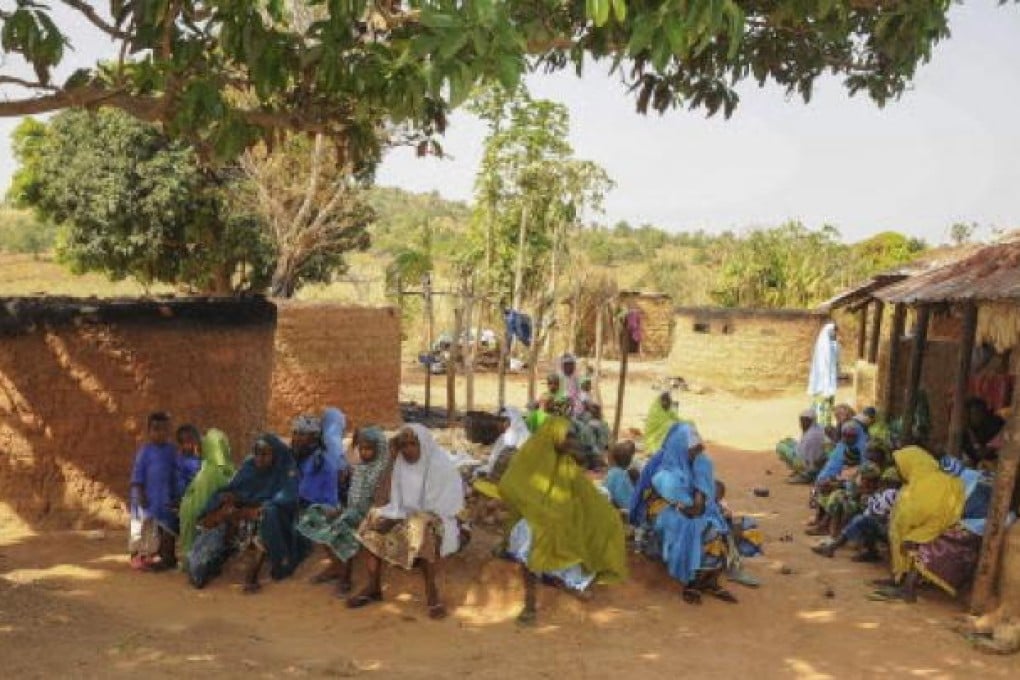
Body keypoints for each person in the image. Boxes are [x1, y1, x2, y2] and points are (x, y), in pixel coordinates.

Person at [498, 417, 627, 624]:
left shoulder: (565, 463)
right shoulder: (530, 457)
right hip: (529, 518)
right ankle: (530, 605)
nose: (572, 441)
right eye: (568, 437)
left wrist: (604, 512)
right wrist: (538, 509)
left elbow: (582, 491)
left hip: (556, 515)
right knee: (536, 535)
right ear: (554, 436)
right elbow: (509, 486)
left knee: (596, 520)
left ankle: (564, 579)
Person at [347, 424, 466, 620]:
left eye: (413, 444)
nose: (408, 450)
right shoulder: (400, 463)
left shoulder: (439, 465)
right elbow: (382, 499)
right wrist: (392, 460)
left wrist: (396, 521)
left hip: (439, 517)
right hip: (406, 515)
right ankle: (373, 587)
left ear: (423, 444)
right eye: (403, 445)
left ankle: (433, 595)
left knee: (423, 528)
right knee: (373, 518)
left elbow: (436, 508)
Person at [632, 422, 736, 605]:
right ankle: (692, 582)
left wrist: (702, 475)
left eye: (699, 449)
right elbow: (695, 508)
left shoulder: (697, 463)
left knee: (719, 524)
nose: (698, 454)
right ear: (680, 448)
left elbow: (705, 500)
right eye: (693, 450)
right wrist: (701, 483)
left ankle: (709, 580)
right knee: (699, 528)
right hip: (664, 511)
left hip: (687, 508)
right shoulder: (665, 475)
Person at [192, 434, 308, 592]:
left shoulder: (286, 471)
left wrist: (256, 509)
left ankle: (256, 573)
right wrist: (227, 501)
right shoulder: (249, 467)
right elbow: (234, 488)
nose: (259, 458)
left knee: (267, 516)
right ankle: (210, 563)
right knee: (222, 507)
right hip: (245, 510)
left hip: (279, 519)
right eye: (257, 453)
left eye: (265, 454)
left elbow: (286, 500)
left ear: (275, 455)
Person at [297, 427, 392, 596]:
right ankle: (336, 565)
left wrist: (357, 515)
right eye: (361, 448)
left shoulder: (384, 472)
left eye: (369, 449)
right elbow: (353, 498)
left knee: (343, 527)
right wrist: (340, 509)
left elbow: (382, 502)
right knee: (315, 515)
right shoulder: (360, 468)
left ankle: (345, 578)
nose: (364, 452)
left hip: (371, 516)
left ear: (379, 449)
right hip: (352, 511)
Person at [877, 446, 965, 603]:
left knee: (909, 542)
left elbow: (919, 512)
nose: (898, 471)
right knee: (903, 536)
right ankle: (900, 580)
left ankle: (908, 589)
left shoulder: (930, 481)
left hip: (936, 524)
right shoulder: (922, 479)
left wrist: (901, 524)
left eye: (900, 467)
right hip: (935, 522)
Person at [812, 466, 900, 561]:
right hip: (886, 526)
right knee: (863, 518)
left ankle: (832, 546)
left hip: (889, 529)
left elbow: (877, 513)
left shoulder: (892, 493)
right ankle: (870, 552)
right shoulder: (882, 493)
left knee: (863, 519)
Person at [129, 412, 180, 572]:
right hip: (145, 499)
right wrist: (141, 495)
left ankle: (155, 556)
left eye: (164, 429)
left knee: (159, 531)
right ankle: (136, 556)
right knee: (140, 529)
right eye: (156, 429)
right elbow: (137, 477)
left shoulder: (172, 451)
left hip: (163, 499)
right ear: (149, 431)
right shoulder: (145, 452)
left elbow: (176, 473)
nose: (160, 433)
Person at [178, 428, 235, 570]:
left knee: (193, 512)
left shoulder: (209, 468)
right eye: (183, 443)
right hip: (217, 483)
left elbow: (220, 465)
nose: (188, 446)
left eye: (190, 441)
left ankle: (191, 558)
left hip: (213, 482)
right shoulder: (206, 467)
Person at [291, 415, 340, 509]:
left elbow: (307, 494)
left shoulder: (320, 461)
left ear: (314, 437)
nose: (296, 438)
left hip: (318, 508)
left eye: (302, 434)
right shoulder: (297, 458)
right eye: (295, 433)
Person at [478, 406, 530, 482]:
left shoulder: (515, 434)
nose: (502, 423)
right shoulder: (506, 434)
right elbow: (496, 456)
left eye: (504, 420)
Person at [776, 409, 827, 482]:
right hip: (817, 461)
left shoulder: (811, 435)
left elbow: (805, 455)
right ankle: (802, 471)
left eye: (804, 421)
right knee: (788, 441)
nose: (801, 423)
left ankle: (804, 474)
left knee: (781, 447)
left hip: (809, 464)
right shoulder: (819, 428)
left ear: (810, 421)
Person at [808, 322, 839, 426]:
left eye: (835, 332)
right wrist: (826, 385)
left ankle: (827, 426)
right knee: (821, 406)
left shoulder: (833, 345)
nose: (835, 334)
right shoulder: (822, 346)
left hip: (830, 382)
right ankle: (820, 427)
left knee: (829, 407)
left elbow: (835, 363)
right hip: (821, 383)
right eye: (834, 331)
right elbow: (822, 367)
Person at [962, 397, 1006, 469]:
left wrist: (970, 432)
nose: (971, 417)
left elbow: (981, 453)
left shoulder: (996, 424)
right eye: (969, 414)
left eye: (976, 413)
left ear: (984, 412)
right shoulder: (967, 431)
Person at [603, 441, 638, 512]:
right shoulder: (622, 473)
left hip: (622, 510)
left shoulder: (614, 474)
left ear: (612, 459)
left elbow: (615, 496)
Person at [644, 391, 680, 455]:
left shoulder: (669, 410)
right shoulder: (655, 410)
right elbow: (652, 426)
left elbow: (677, 418)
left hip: (663, 436)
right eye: (664, 402)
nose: (665, 403)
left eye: (667, 402)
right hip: (652, 436)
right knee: (669, 425)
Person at [175, 424, 203, 500]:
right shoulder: (180, 462)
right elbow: (180, 486)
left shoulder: (202, 459)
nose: (189, 445)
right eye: (185, 442)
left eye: (191, 441)